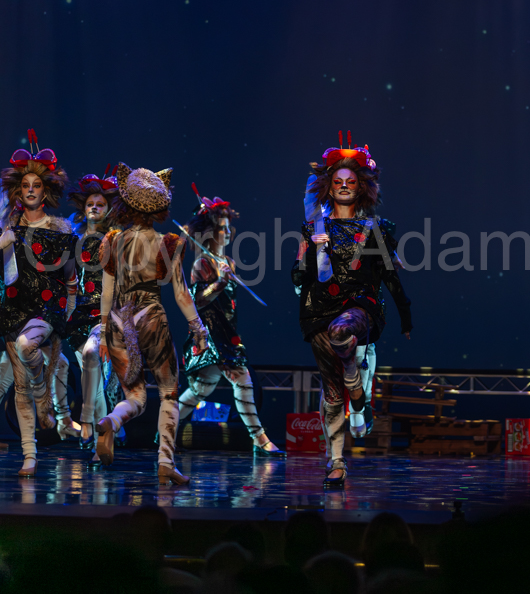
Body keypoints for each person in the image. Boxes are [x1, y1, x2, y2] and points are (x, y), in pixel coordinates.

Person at [292, 132, 412, 487]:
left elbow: (389, 275)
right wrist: (312, 250)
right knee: (331, 394)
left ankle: (356, 387)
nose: (344, 186)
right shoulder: (313, 228)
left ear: (362, 187)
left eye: (351, 181)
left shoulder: (376, 228)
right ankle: (337, 462)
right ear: (329, 187)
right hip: (318, 308)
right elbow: (297, 277)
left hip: (359, 306)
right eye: (338, 182)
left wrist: (405, 314)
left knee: (342, 332)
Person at [95, 162, 210, 484]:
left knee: (135, 397)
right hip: (150, 317)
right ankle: (165, 462)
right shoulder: (168, 243)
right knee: (168, 392)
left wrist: (103, 333)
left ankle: (112, 420)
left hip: (117, 320)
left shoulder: (112, 240)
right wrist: (198, 329)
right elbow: (181, 294)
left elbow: (106, 291)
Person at [178, 186, 284, 456]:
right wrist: (219, 283)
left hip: (226, 332)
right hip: (210, 334)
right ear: (210, 233)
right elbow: (197, 301)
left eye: (228, 228)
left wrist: (226, 278)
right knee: (242, 379)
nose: (227, 232)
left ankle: (165, 429)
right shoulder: (202, 264)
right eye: (221, 228)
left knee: (200, 390)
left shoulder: (228, 262)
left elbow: (230, 306)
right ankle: (260, 439)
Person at [0, 131, 80, 476]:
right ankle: (29, 455)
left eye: (37, 185)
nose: (31, 190)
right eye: (26, 185)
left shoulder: (60, 229)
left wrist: (69, 312)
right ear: (19, 191)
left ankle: (42, 387)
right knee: (18, 385)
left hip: (46, 308)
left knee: (25, 346)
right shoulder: (8, 228)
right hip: (14, 306)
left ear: (45, 191)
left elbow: (71, 278)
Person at [66, 169, 122, 459]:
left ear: (109, 208)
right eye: (90, 204)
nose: (94, 208)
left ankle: (90, 426)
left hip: (105, 314)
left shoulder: (115, 240)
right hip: (77, 316)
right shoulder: (74, 240)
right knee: (93, 381)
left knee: (92, 358)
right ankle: (102, 440)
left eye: (100, 204)